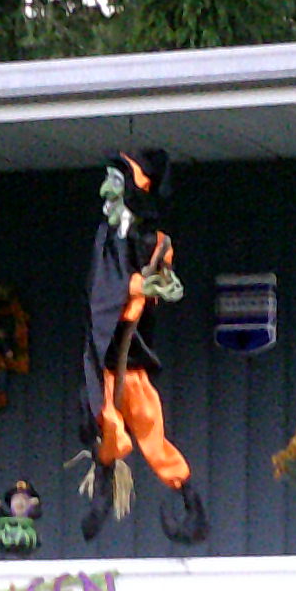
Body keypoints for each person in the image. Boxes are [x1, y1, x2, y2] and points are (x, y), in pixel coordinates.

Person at [76, 149, 208, 546]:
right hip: (106, 353)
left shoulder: (152, 240)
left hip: (131, 355)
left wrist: (161, 282)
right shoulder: (106, 238)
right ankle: (104, 486)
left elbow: (160, 273)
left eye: (116, 182)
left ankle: (186, 496)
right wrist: (137, 287)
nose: (107, 190)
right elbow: (102, 288)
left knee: (149, 422)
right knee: (107, 420)